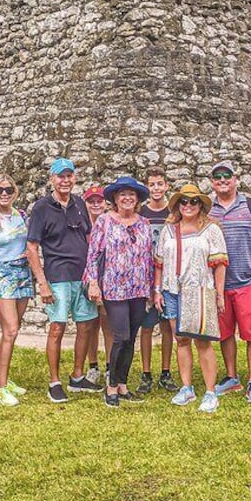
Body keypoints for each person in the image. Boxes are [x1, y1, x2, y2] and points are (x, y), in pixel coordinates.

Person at [26, 158, 102, 403]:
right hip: (58, 276)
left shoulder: (80, 204)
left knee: (86, 325)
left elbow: (90, 241)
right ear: (52, 179)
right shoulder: (41, 208)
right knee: (57, 327)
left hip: (81, 275)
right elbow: (32, 247)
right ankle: (54, 381)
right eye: (61, 176)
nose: (65, 181)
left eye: (69, 176)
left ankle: (78, 376)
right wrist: (42, 282)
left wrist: (93, 276)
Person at [153, 185, 228, 413]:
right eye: (183, 202)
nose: (188, 206)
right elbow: (159, 263)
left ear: (200, 205)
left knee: (202, 341)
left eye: (193, 202)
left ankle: (210, 391)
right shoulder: (168, 230)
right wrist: (157, 290)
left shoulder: (211, 230)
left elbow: (220, 264)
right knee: (181, 339)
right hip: (172, 290)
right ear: (177, 205)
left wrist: (219, 293)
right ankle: (187, 387)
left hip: (199, 290)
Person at [208, 160, 251, 404]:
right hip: (219, 284)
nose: (223, 180)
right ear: (212, 182)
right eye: (218, 177)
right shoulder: (207, 209)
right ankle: (231, 377)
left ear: (236, 179)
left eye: (227, 175)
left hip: (248, 280)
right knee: (225, 333)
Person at [83, 177, 153, 407]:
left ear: (138, 199)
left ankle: (123, 384)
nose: (127, 198)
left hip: (138, 287)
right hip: (114, 287)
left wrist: (152, 288)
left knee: (131, 337)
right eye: (122, 194)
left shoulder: (144, 223)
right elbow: (93, 255)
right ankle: (111, 385)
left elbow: (149, 258)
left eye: (131, 194)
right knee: (120, 336)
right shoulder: (104, 221)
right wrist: (93, 282)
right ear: (114, 198)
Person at [0, 174, 32, 407]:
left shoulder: (21, 216)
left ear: (15, 192)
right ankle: (0, 388)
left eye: (8, 189)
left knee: (15, 329)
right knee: (10, 330)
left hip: (22, 272)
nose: (4, 194)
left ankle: (4, 379)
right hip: (1, 274)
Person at [137, 166, 179, 394]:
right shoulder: (141, 213)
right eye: (151, 184)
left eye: (159, 184)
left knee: (166, 326)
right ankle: (145, 373)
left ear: (166, 186)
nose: (156, 188)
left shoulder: (174, 213)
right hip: (146, 276)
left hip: (168, 276)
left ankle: (165, 371)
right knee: (146, 327)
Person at [82, 185, 113, 385]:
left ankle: (110, 366)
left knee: (107, 323)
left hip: (107, 278)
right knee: (89, 324)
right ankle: (92, 365)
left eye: (99, 201)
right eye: (91, 201)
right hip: (86, 278)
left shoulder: (111, 223)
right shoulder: (81, 224)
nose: (95, 204)